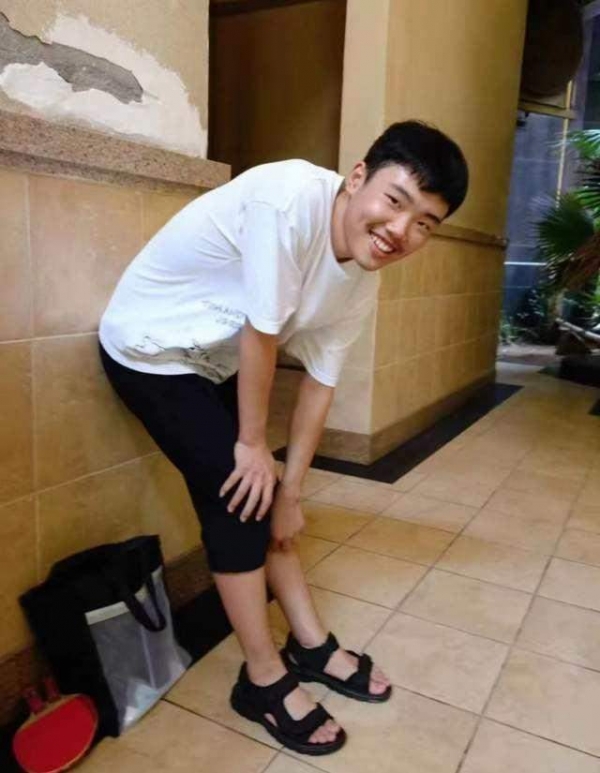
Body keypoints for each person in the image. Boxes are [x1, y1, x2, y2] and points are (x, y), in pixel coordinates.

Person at [98, 120, 469, 755]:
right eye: (395, 201)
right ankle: (263, 678)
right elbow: (262, 335)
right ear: (357, 177)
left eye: (424, 223)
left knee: (268, 494)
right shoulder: (288, 200)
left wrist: (292, 488)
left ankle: (310, 643)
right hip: (150, 348)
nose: (400, 230)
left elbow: (319, 385)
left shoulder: (362, 280)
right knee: (241, 499)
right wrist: (251, 447)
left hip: (211, 362)